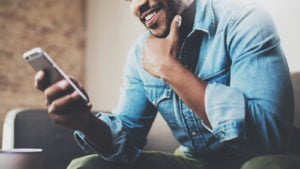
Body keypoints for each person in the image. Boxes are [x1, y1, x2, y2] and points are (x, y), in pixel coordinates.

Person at [34, 0, 300, 168]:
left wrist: (171, 70)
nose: (137, 5)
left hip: (265, 156)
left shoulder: (244, 19)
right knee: (87, 165)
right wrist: (86, 122)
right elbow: (126, 146)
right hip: (197, 161)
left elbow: (268, 139)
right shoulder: (140, 54)